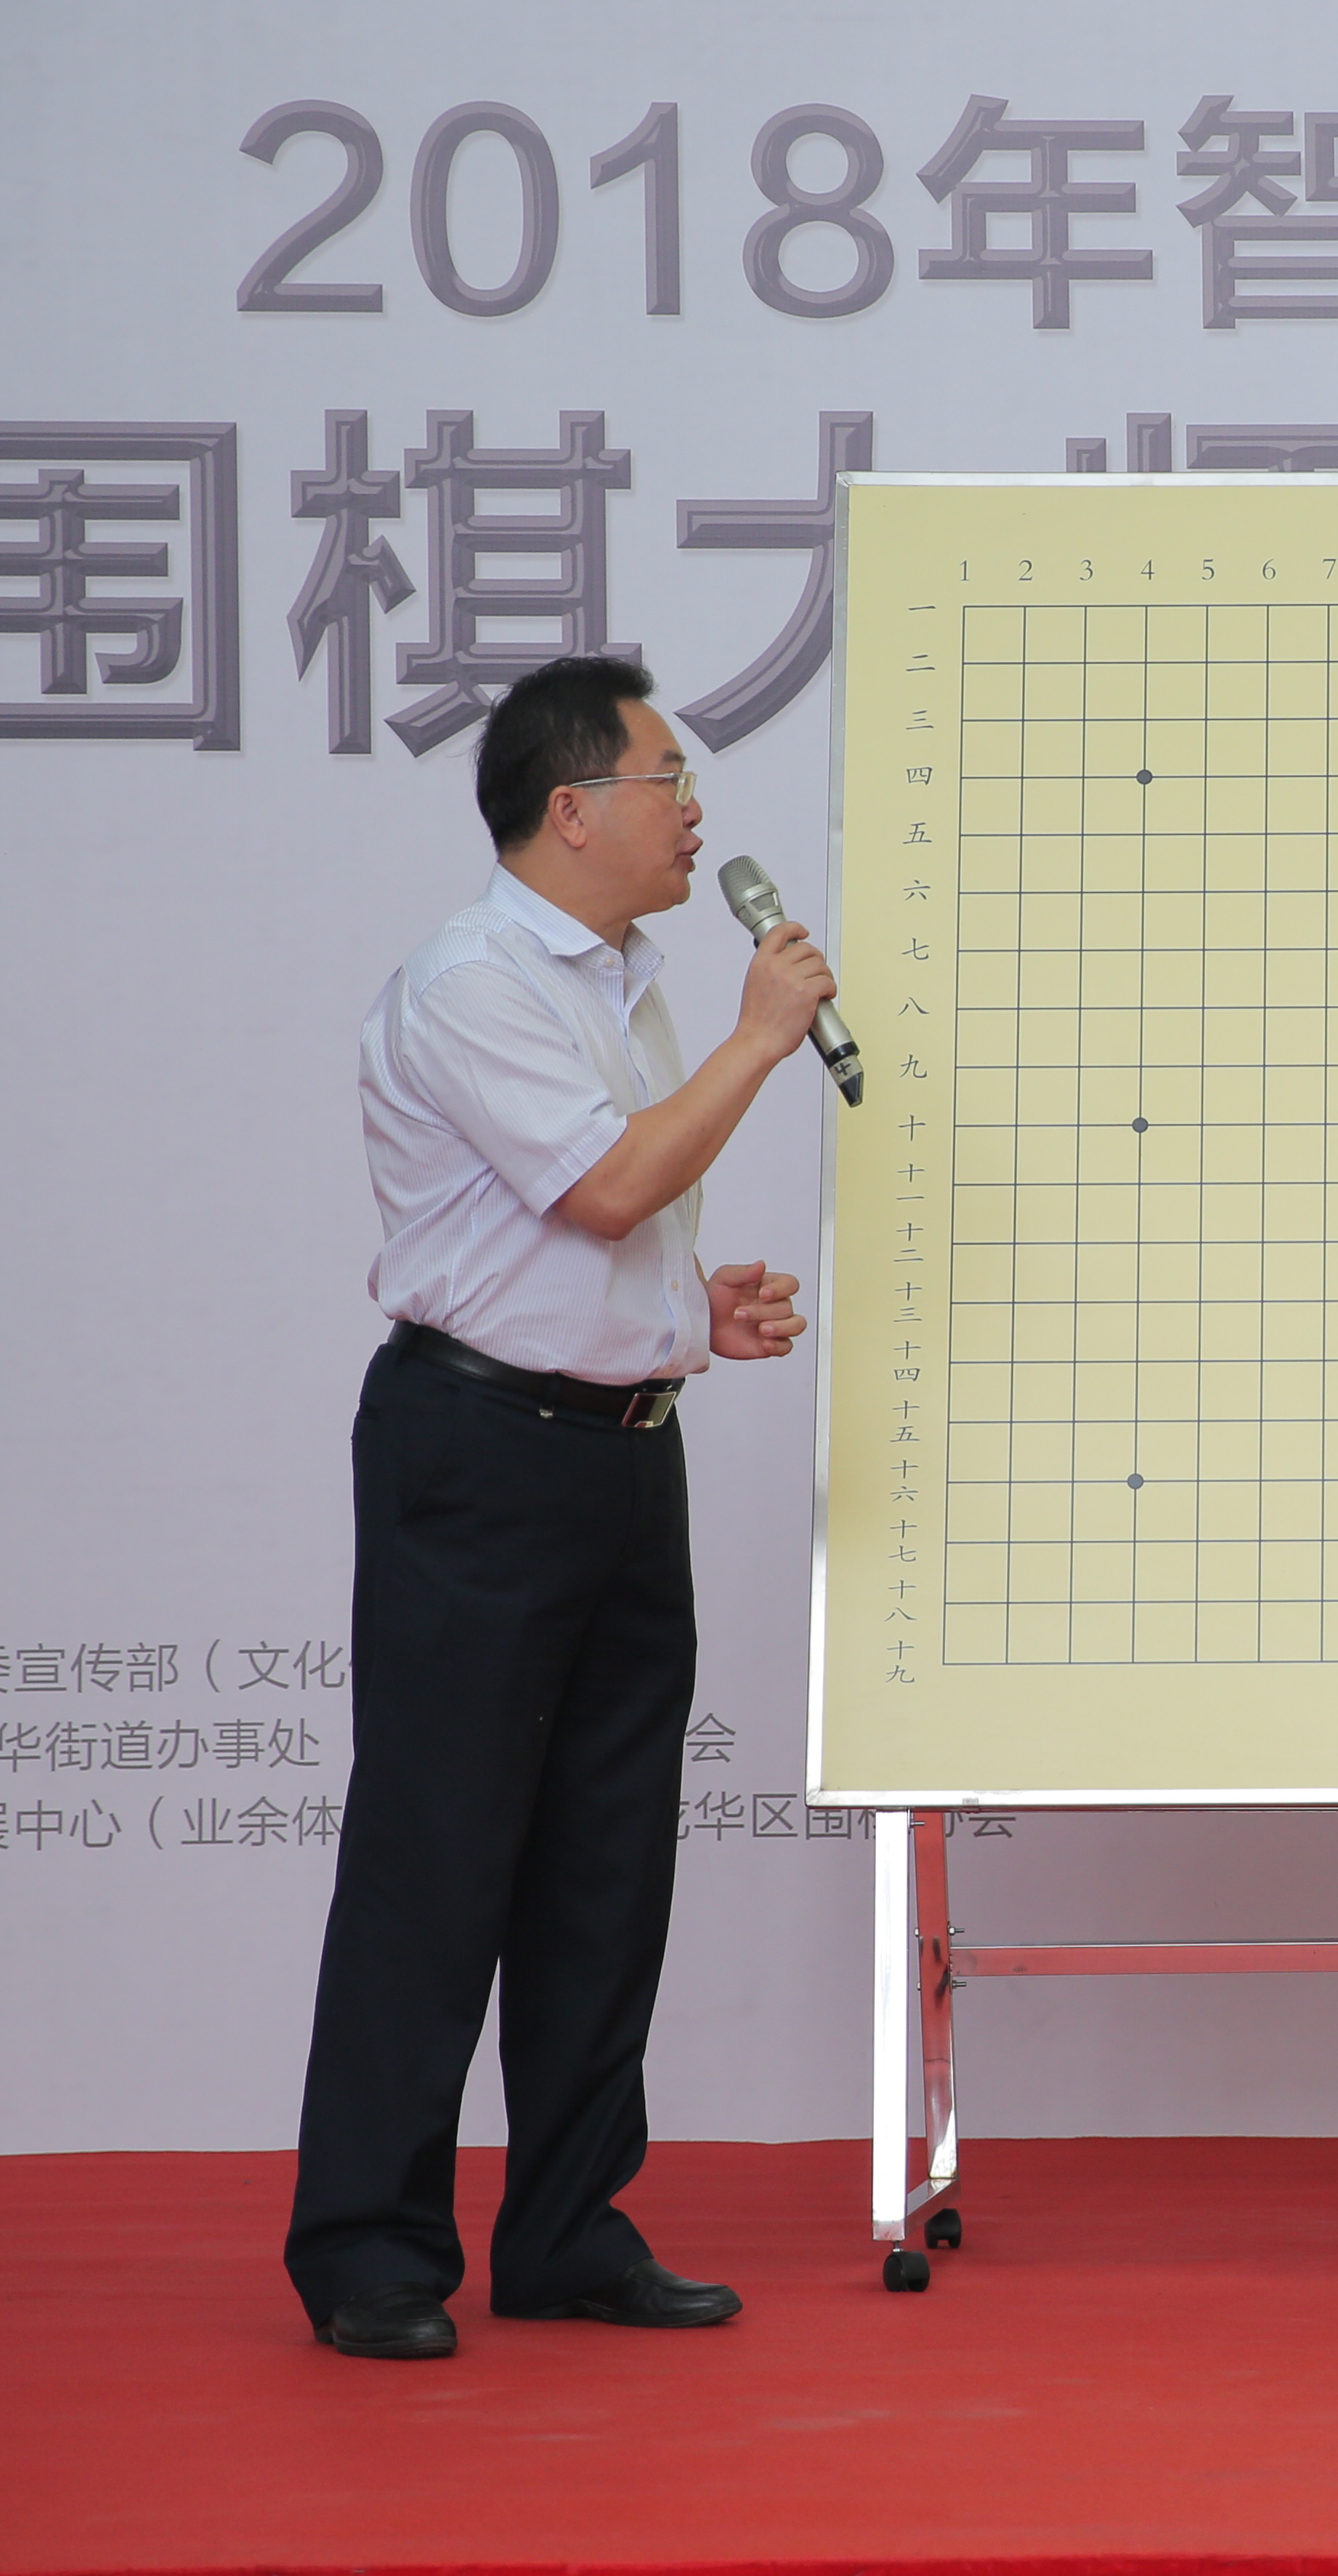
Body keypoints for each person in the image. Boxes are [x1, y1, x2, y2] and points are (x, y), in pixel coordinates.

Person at [285, 655, 838, 2361]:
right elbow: (604, 1188)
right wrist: (762, 1039)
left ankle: (569, 2229)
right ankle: (371, 2249)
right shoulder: (475, 979)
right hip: (481, 1457)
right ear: (571, 807)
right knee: (438, 1853)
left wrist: (690, 1314)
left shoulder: (621, 982)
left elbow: (598, 1223)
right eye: (669, 779)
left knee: (607, 1857)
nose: (696, 812)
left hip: (620, 1450)